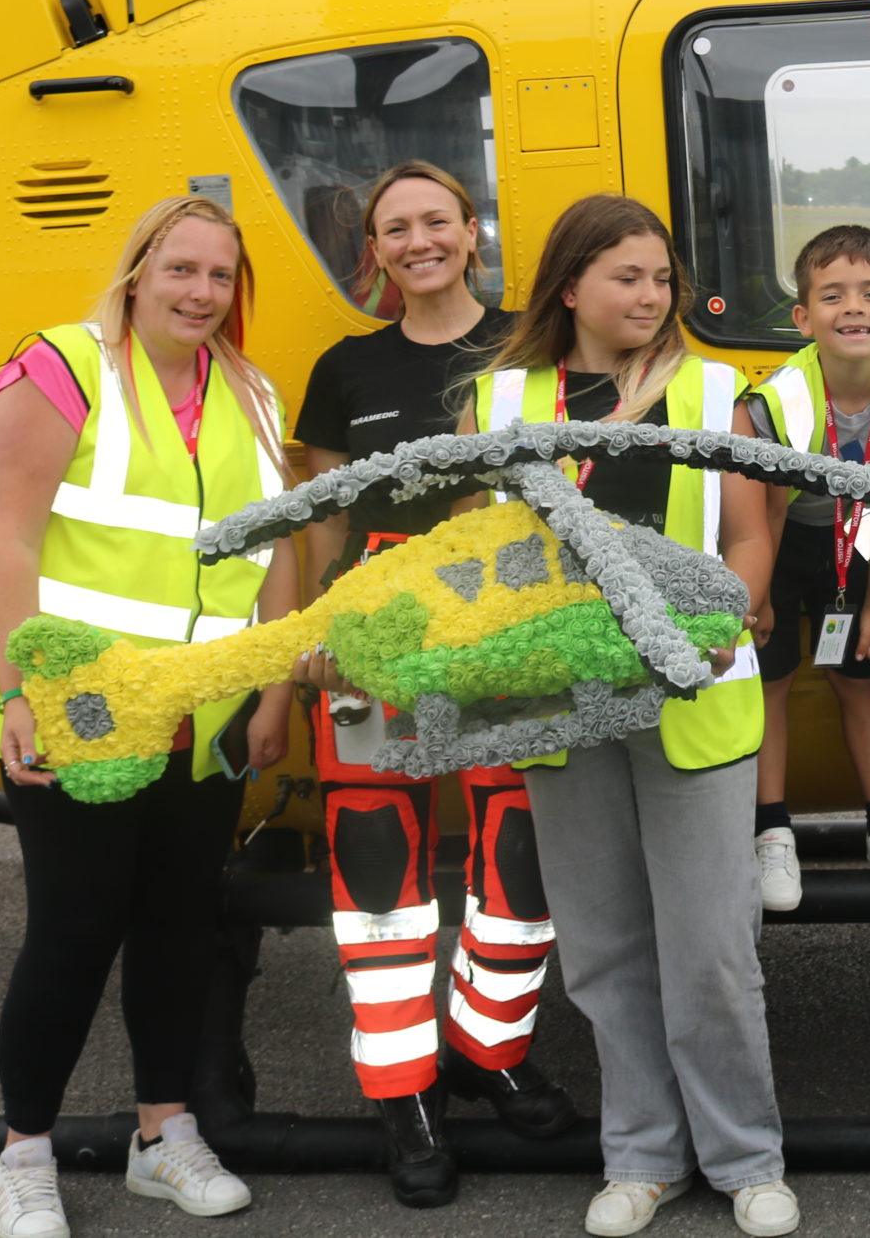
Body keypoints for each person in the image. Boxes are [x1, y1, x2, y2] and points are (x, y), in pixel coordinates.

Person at [465, 195, 797, 1238]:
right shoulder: (500, 397)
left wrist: (724, 616)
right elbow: (483, 555)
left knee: (710, 948)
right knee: (605, 948)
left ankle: (747, 1161)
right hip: (565, 705)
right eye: (628, 278)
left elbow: (750, 538)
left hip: (691, 701)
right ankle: (642, 1159)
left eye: (661, 278)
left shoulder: (712, 392)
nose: (651, 297)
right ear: (570, 288)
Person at [0, 195, 302, 1238]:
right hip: (74, 713)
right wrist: (23, 695)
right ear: (136, 273)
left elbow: (278, 551)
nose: (200, 293)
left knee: (178, 931)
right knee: (72, 933)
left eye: (219, 277)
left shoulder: (251, 393)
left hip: (198, 721)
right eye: (181, 270)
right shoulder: (62, 368)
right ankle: (23, 1153)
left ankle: (164, 1135)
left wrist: (274, 685)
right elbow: (10, 544)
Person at [289, 161, 574, 1207]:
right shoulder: (343, 368)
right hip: (370, 640)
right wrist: (314, 629)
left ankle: (487, 1052)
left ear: (470, 232)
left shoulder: (530, 347)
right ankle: (402, 1094)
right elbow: (321, 518)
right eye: (394, 228)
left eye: (436, 222)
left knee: (519, 859)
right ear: (375, 249)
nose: (418, 241)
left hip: (500, 630)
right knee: (379, 884)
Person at [743, 224, 870, 909]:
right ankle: (772, 831)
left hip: (853, 543)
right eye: (831, 295)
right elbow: (766, 510)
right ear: (803, 318)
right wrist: (763, 599)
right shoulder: (778, 399)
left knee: (857, 676)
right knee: (770, 684)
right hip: (782, 543)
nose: (853, 307)